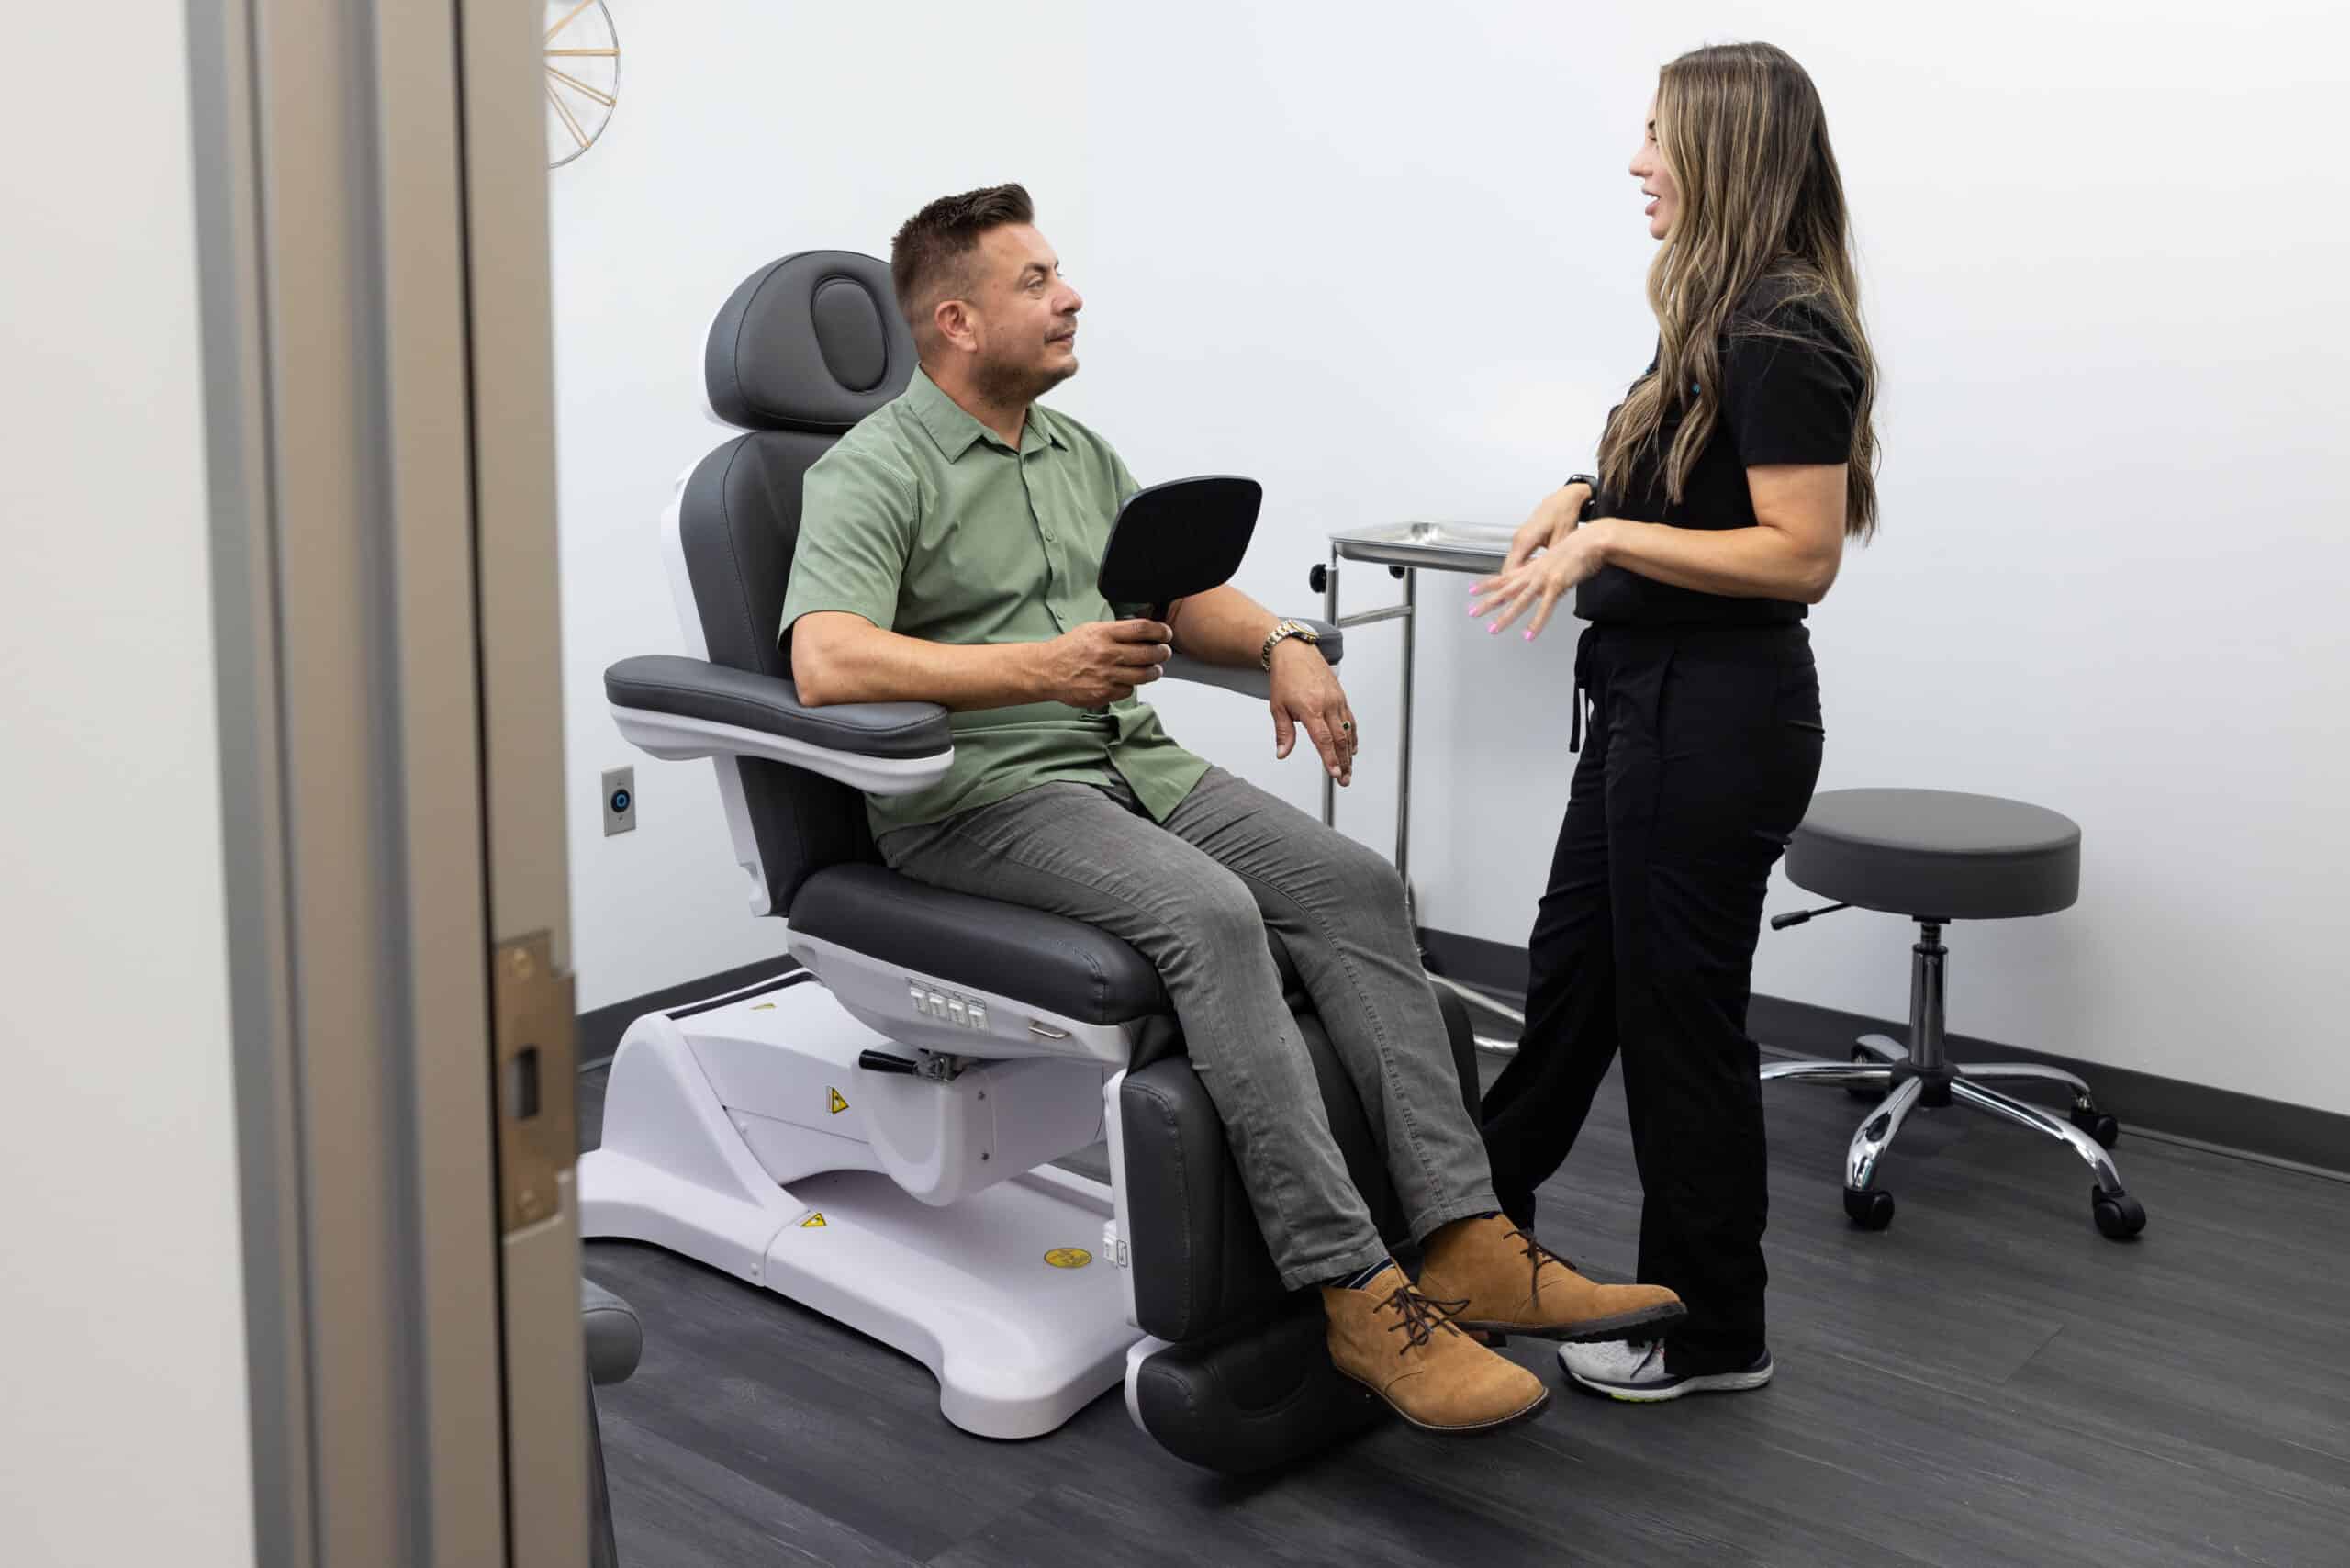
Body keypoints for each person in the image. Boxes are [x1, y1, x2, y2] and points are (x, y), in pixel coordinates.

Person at [783, 183, 1684, 1434]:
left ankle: (1465, 1236)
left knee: (1359, 885)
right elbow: (825, 660)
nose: (1071, 296)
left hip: (1129, 768)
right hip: (981, 797)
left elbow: (1179, 598)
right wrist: (1037, 668)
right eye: (1036, 282)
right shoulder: (870, 470)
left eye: (1060, 272)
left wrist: (1282, 643)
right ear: (957, 320)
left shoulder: (1076, 452)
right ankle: (1353, 1289)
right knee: (1212, 916)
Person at [1468, 42, 1879, 1404]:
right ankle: (1466, 1247)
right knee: (1572, 990)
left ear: (1725, 151)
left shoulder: (1785, 327)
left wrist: (1607, 540)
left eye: (1660, 135)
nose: (1639, 161)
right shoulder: (1717, 311)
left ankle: (1711, 1330)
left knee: (1676, 1029)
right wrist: (1581, 495)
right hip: (1653, 711)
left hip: (1713, 721)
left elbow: (1799, 554)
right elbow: (1691, 482)